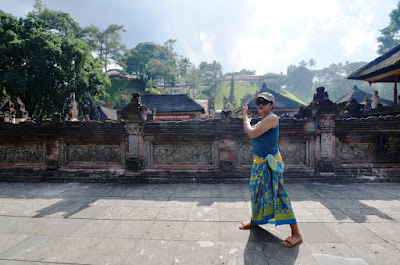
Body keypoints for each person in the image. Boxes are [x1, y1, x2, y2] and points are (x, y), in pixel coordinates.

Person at [240, 92, 302, 248]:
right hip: (259, 163)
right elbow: (250, 132)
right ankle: (256, 220)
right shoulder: (264, 119)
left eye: (265, 102)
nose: (260, 104)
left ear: (272, 105)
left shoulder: (272, 118)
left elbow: (251, 132)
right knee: (257, 192)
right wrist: (246, 118)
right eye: (258, 101)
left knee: (279, 195)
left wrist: (246, 118)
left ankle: (296, 234)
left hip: (270, 165)